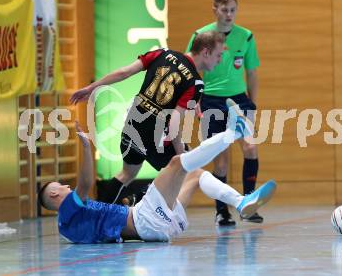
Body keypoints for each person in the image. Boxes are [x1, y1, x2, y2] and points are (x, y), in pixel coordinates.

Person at [38, 101, 276, 243]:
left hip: (158, 226)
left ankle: (242, 202)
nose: (66, 187)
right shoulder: (67, 212)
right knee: (176, 164)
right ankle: (234, 132)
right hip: (143, 220)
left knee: (195, 176)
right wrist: (86, 147)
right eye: (61, 187)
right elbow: (85, 182)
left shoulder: (69, 225)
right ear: (55, 196)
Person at [70, 31, 225, 205]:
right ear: (205, 52)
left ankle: (96, 216)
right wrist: (181, 157)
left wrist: (92, 87)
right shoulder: (195, 83)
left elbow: (124, 72)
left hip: (133, 123)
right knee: (184, 173)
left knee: (127, 174)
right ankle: (137, 200)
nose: (220, 60)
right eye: (218, 55)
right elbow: (174, 122)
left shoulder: (162, 53)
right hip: (156, 136)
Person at [186, 0, 262, 226]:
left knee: (250, 147)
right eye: (224, 10)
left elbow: (251, 72)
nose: (229, 15)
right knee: (221, 160)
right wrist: (195, 100)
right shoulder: (201, 35)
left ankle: (248, 204)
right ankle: (222, 212)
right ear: (215, 10)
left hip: (239, 100)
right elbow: (190, 69)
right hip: (211, 100)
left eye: (233, 10)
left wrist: (253, 103)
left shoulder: (246, 37)